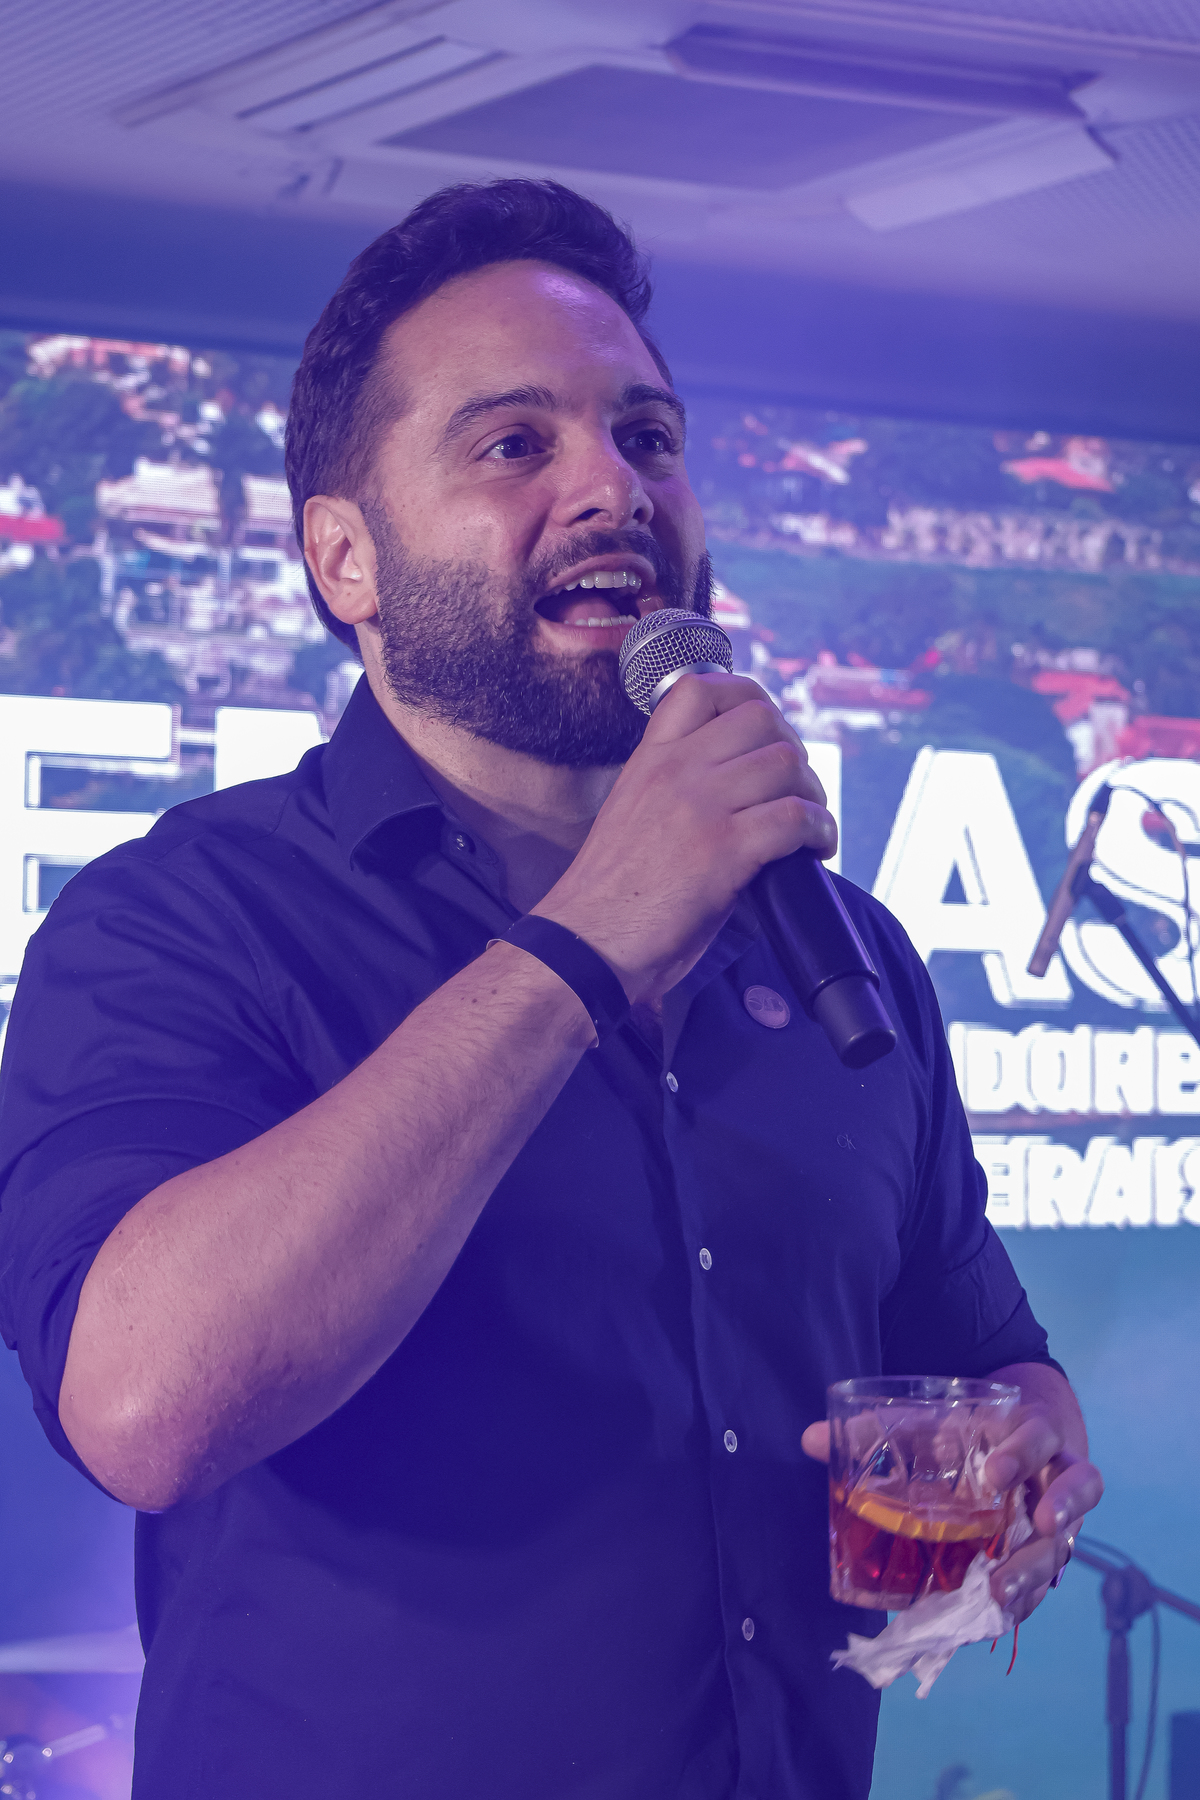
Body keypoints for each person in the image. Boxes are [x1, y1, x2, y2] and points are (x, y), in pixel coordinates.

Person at [0, 180, 1102, 1799]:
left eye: (647, 438)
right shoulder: (180, 919)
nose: (613, 488)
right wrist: (591, 941)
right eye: (515, 443)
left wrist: (1021, 1446)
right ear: (345, 557)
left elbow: (986, 1352)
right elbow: (144, 1403)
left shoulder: (846, 950)